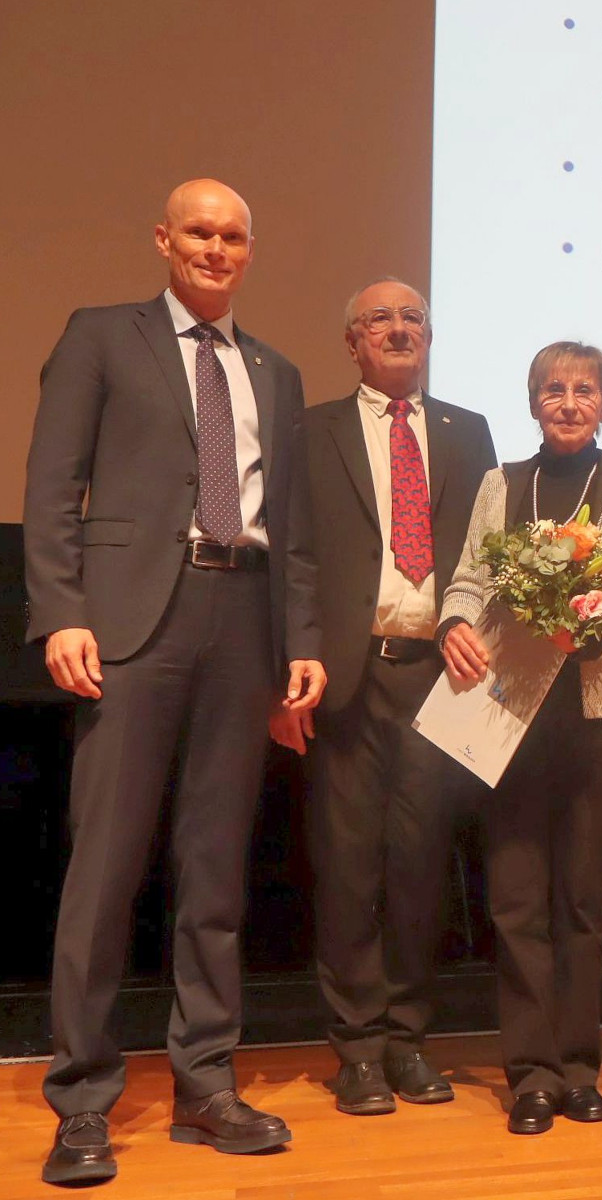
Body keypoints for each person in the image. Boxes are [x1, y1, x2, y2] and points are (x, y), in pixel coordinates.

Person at [23, 179, 325, 1186]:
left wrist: (301, 639)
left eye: (234, 235)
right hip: (130, 627)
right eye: (199, 231)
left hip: (241, 624)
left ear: (250, 250)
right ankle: (83, 1099)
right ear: (164, 239)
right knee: (106, 869)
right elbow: (51, 484)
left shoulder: (276, 374)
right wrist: (62, 610)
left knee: (214, 871)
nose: (216, 248)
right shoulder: (102, 336)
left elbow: (296, 529)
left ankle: (205, 1082)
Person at [437, 341, 602, 1134]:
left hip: (599, 717)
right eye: (552, 391)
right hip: (507, 713)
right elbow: (469, 577)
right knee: (515, 900)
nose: (568, 403)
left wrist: (599, 638)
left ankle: (576, 1068)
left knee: (580, 900)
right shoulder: (502, 484)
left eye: (583, 391)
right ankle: (529, 1073)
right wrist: (454, 624)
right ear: (532, 401)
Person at [285, 279, 496, 1115]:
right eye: (380, 319)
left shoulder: (467, 432)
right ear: (353, 342)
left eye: (413, 318)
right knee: (346, 869)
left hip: (439, 678)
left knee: (418, 867)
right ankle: (358, 1050)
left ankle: (407, 1041)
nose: (399, 329)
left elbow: (491, 552)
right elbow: (294, 555)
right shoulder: (313, 431)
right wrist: (295, 659)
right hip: (345, 677)